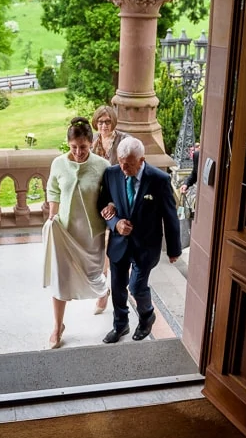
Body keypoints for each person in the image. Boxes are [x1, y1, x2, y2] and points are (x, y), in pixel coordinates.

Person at [97, 136, 182, 343]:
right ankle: (120, 325)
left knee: (136, 286)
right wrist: (115, 222)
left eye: (129, 164)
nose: (124, 168)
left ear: (142, 160)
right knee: (117, 287)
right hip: (119, 243)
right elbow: (102, 203)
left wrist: (174, 249)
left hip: (146, 245)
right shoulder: (111, 173)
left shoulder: (159, 180)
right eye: (121, 162)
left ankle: (146, 317)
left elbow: (170, 216)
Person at [42, 117, 115, 349]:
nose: (78, 152)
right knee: (60, 279)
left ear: (91, 143)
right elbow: (53, 189)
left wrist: (111, 208)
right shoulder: (58, 164)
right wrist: (52, 216)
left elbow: (110, 196)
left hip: (91, 234)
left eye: (83, 147)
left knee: (94, 275)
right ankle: (57, 326)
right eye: (73, 147)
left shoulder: (102, 166)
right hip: (64, 231)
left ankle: (104, 291)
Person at [90, 105, 130, 305]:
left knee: (112, 247)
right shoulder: (93, 143)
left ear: (113, 121)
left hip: (120, 199)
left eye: (107, 121)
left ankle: (110, 291)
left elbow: (128, 173)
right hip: (100, 200)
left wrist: (114, 202)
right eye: (100, 121)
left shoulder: (124, 140)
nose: (103, 125)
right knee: (99, 246)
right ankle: (103, 290)